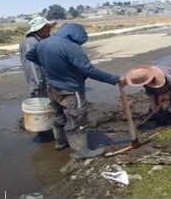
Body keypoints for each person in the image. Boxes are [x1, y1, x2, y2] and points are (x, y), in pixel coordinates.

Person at [26, 23, 127, 159]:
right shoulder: (72, 48)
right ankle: (82, 150)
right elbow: (89, 70)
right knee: (77, 119)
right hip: (71, 90)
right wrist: (115, 79)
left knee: (57, 116)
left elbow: (30, 55)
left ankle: (60, 142)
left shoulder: (44, 43)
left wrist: (49, 65)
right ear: (75, 35)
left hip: (52, 87)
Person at [126, 65, 171, 129]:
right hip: (162, 90)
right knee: (155, 110)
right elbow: (150, 92)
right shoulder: (144, 79)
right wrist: (153, 104)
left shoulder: (167, 75)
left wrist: (167, 95)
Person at [19, 16, 56, 98]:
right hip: (40, 84)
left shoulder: (44, 38)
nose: (50, 29)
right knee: (42, 104)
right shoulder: (30, 42)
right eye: (47, 27)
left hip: (49, 81)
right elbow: (31, 66)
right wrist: (37, 84)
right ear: (39, 29)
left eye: (50, 26)